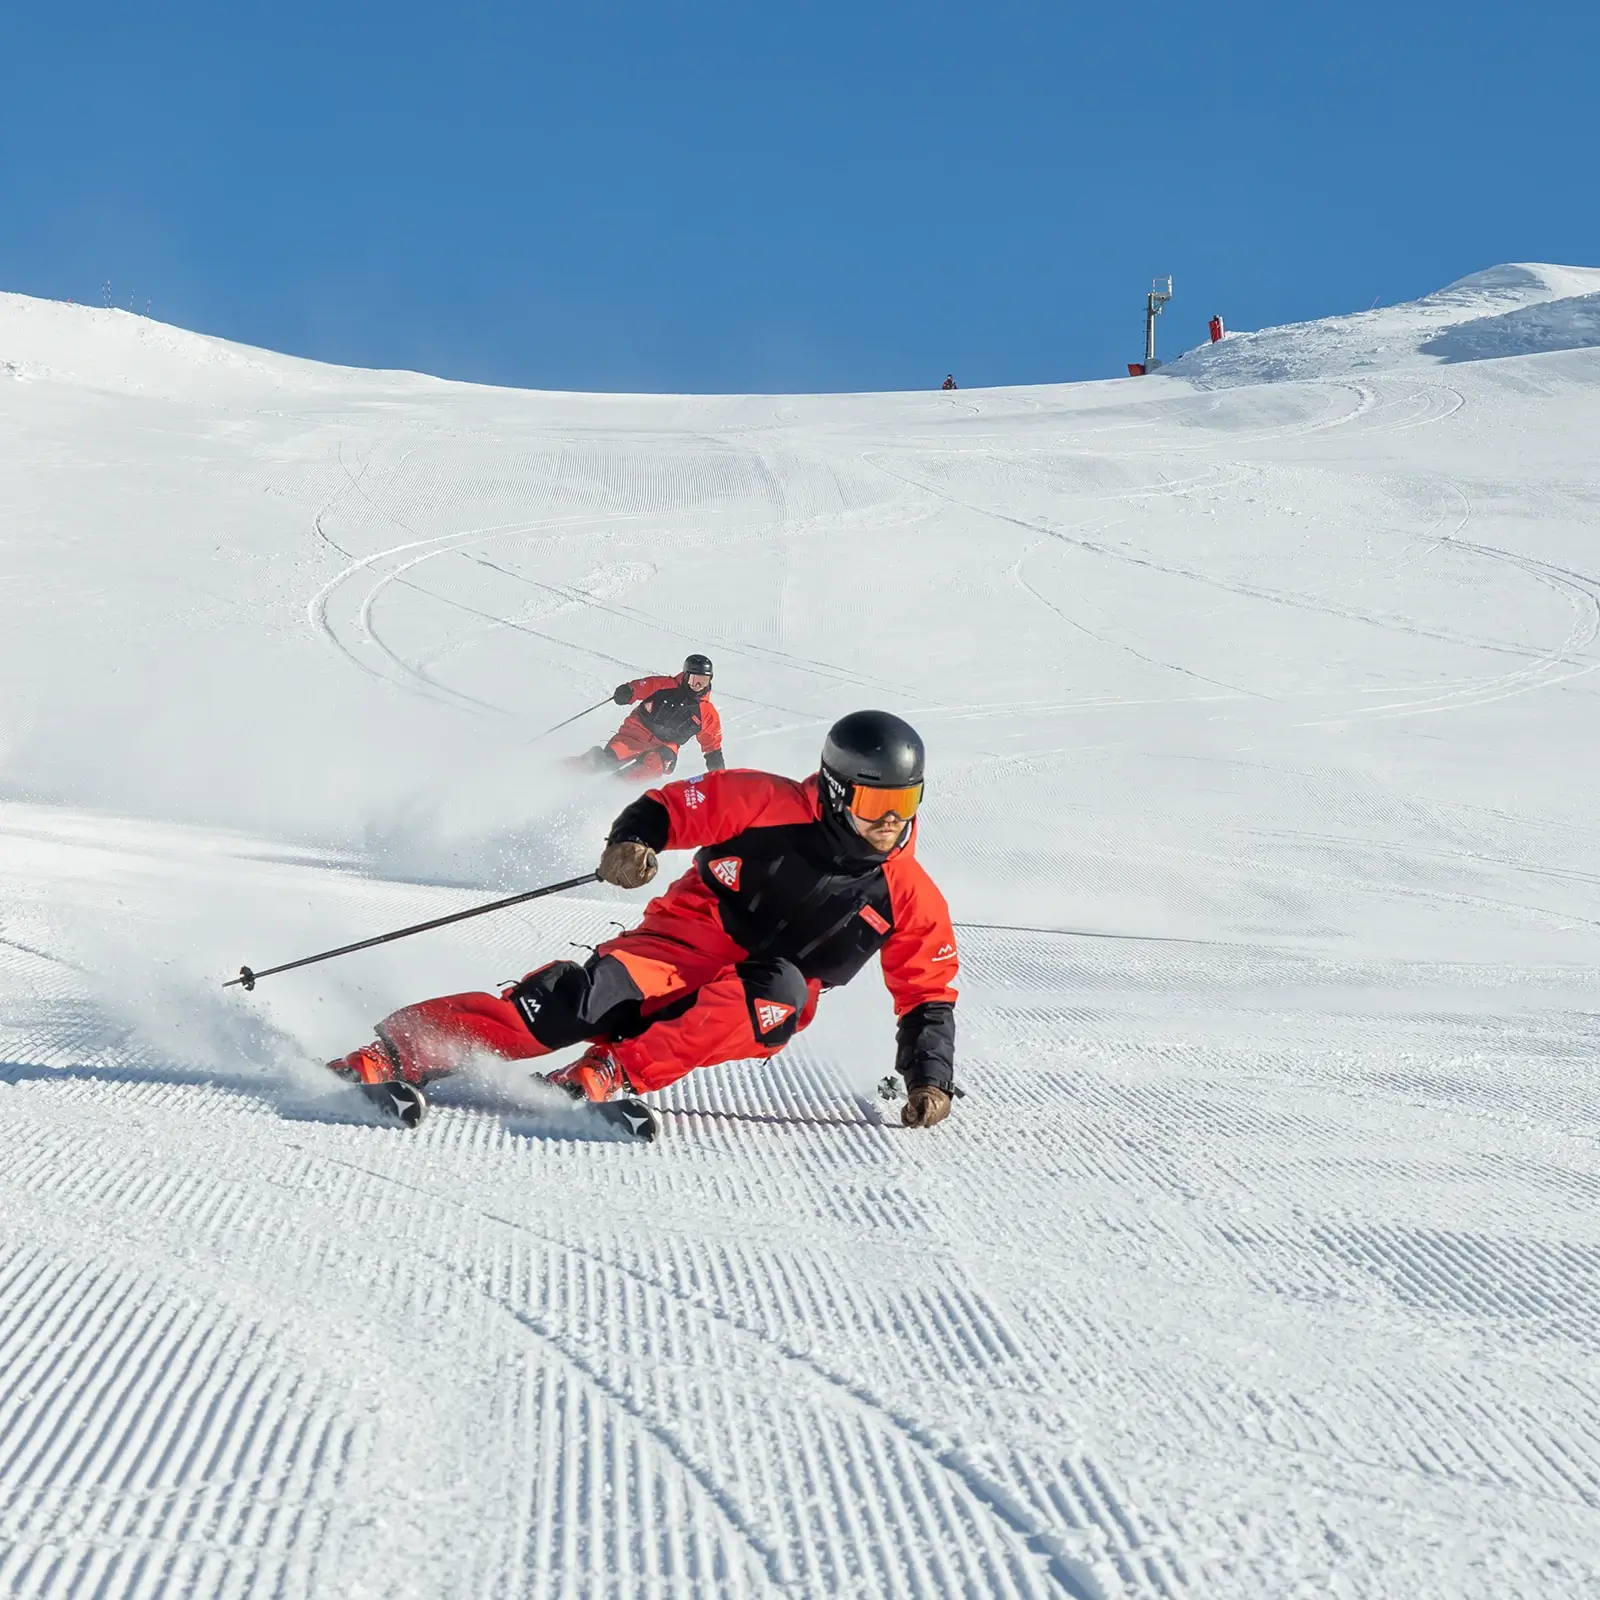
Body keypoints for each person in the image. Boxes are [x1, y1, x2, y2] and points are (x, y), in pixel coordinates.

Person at [329, 711, 960, 1129]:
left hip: (760, 997)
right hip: (676, 949)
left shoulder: (908, 894)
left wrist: (929, 1080)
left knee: (778, 996)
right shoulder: (764, 801)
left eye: (905, 802)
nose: (891, 820)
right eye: (877, 801)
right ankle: (393, 1054)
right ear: (835, 788)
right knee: (568, 1007)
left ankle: (610, 1072)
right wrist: (633, 844)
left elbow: (928, 997)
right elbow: (667, 807)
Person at [580, 653, 723, 780]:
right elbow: (642, 686)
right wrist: (628, 691)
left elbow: (713, 749)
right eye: (694, 680)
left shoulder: (707, 713)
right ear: (685, 676)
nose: (698, 686)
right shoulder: (666, 685)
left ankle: (615, 787)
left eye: (703, 681)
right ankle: (567, 770)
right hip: (636, 733)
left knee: (656, 763)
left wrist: (721, 778)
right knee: (605, 761)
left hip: (665, 746)